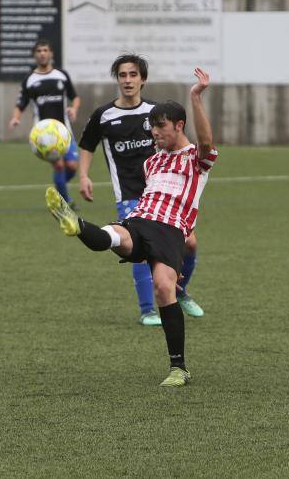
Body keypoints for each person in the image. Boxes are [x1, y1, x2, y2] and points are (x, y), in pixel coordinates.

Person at [46, 67, 217, 387]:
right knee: (113, 237)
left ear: (179, 126)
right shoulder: (151, 162)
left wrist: (195, 97)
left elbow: (206, 141)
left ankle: (179, 368)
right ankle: (76, 224)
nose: (155, 133)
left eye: (160, 127)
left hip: (170, 228)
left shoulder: (196, 157)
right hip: (140, 218)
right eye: (152, 128)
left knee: (164, 288)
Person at [76, 54, 205, 327]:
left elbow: (178, 145)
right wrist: (84, 175)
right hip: (129, 194)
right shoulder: (104, 115)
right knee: (139, 248)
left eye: (133, 74)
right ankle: (148, 309)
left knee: (191, 243)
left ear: (142, 79)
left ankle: (179, 290)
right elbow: (87, 145)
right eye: (122, 75)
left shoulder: (156, 113)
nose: (128, 80)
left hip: (163, 197)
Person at [9, 39, 81, 206]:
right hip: (44, 136)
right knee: (59, 167)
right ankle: (65, 201)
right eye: (39, 51)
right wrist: (15, 118)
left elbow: (75, 97)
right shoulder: (30, 80)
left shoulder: (61, 75)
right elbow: (20, 103)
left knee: (71, 166)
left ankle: (59, 187)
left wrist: (74, 109)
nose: (42, 53)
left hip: (64, 132)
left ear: (51, 54)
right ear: (35, 55)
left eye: (45, 50)